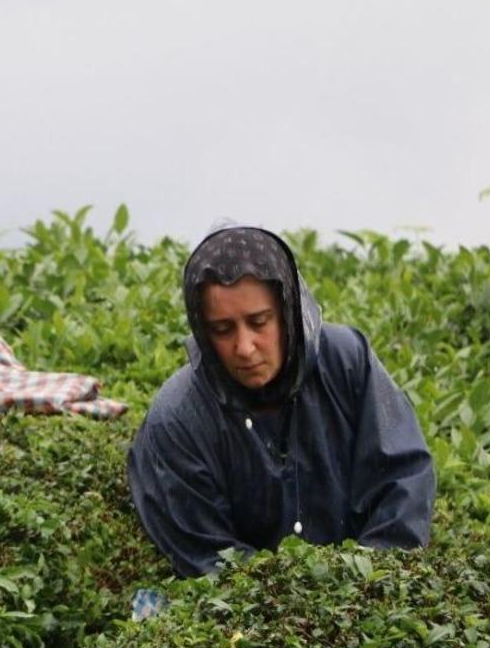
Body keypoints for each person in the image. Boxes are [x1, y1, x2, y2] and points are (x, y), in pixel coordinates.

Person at [127, 225, 435, 577]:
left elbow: (404, 479)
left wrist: (367, 579)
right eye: (223, 330)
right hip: (259, 605)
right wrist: (290, 597)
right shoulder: (179, 417)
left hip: (364, 583)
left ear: (288, 311)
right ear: (203, 331)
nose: (245, 348)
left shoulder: (348, 362)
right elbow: (207, 554)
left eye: (259, 322)